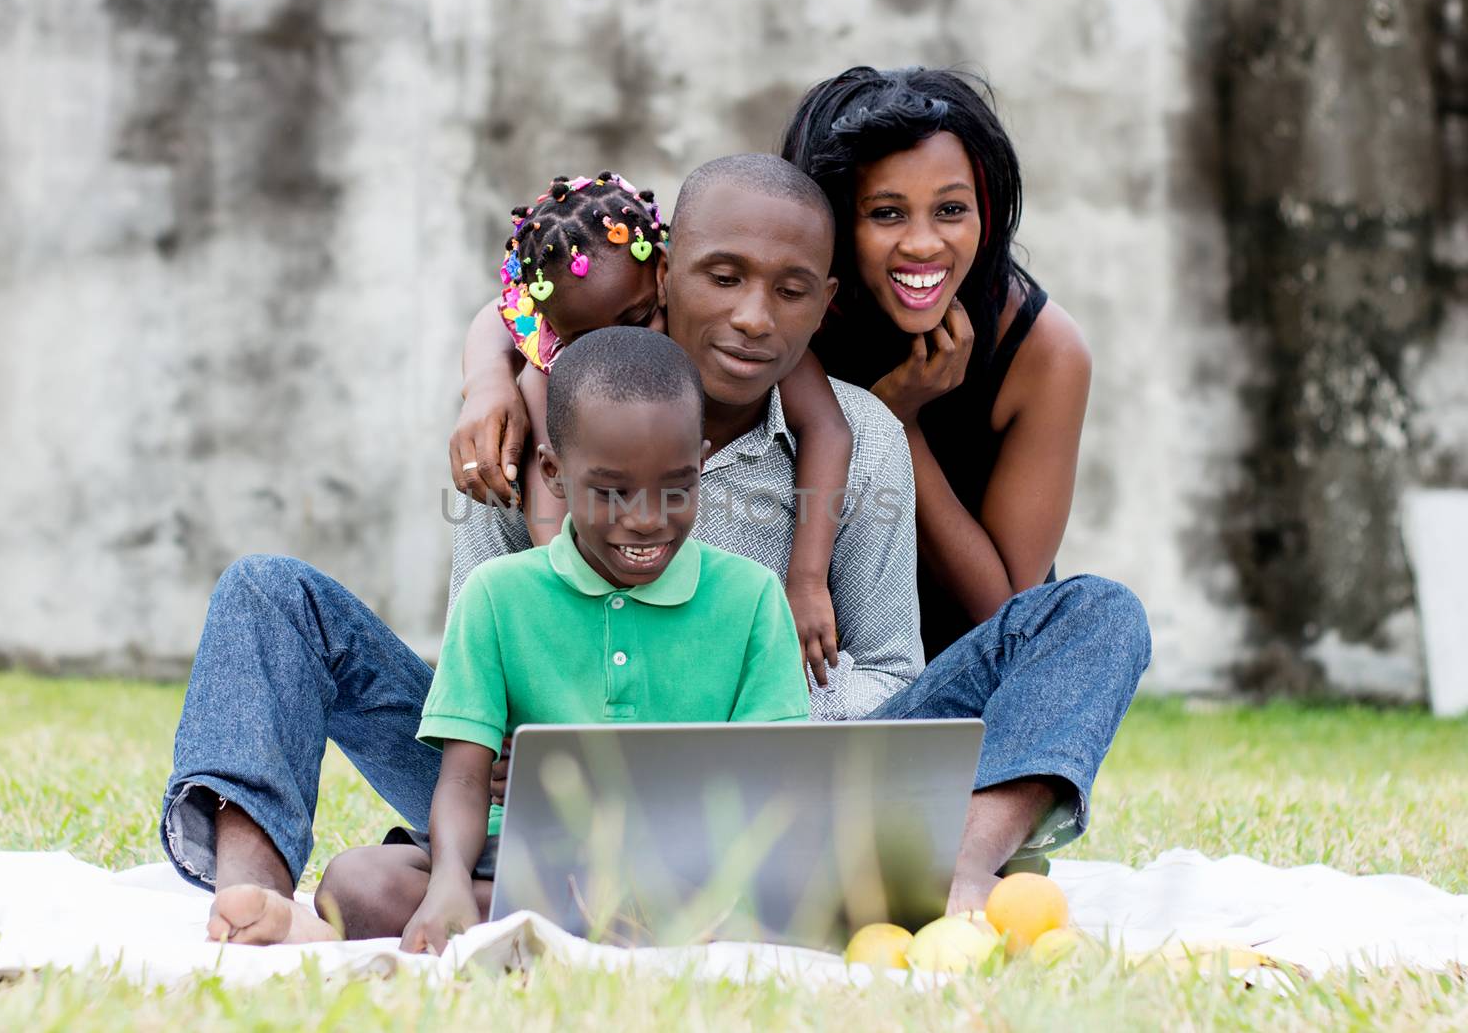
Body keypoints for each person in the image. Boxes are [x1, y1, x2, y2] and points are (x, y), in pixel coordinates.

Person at [449, 153, 1149, 911]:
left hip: (795, 799)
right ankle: (326, 893)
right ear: (666, 275)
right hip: (544, 796)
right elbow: (474, 680)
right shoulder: (528, 432)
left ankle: (963, 867)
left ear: (823, 305)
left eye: (790, 293)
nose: (754, 318)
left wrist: (707, 737)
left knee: (1098, 614)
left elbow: (889, 675)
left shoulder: (863, 437)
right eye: (722, 279)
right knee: (299, 602)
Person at [295, 327, 812, 949]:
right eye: (612, 491)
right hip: (522, 856)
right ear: (554, 473)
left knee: (807, 886)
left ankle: (574, 924)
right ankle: (623, 927)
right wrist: (451, 879)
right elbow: (463, 778)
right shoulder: (498, 595)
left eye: (675, 487)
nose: (645, 518)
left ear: (700, 465)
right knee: (357, 885)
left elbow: (765, 785)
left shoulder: (752, 598)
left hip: (685, 863)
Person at [455, 170, 852, 682]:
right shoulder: (547, 379)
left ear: (664, 278)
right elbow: (550, 517)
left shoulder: (763, 351)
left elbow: (830, 429)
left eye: (638, 320)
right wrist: (487, 381)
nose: (615, 354)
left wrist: (806, 581)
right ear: (553, 335)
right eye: (584, 342)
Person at [780, 65, 1093, 661]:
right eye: (887, 213)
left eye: (950, 210)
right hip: (821, 662)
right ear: (836, 219)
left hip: (967, 678)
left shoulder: (1043, 351)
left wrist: (897, 424)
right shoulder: (793, 321)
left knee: (1103, 614)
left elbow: (1003, 616)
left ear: (987, 212)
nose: (923, 244)